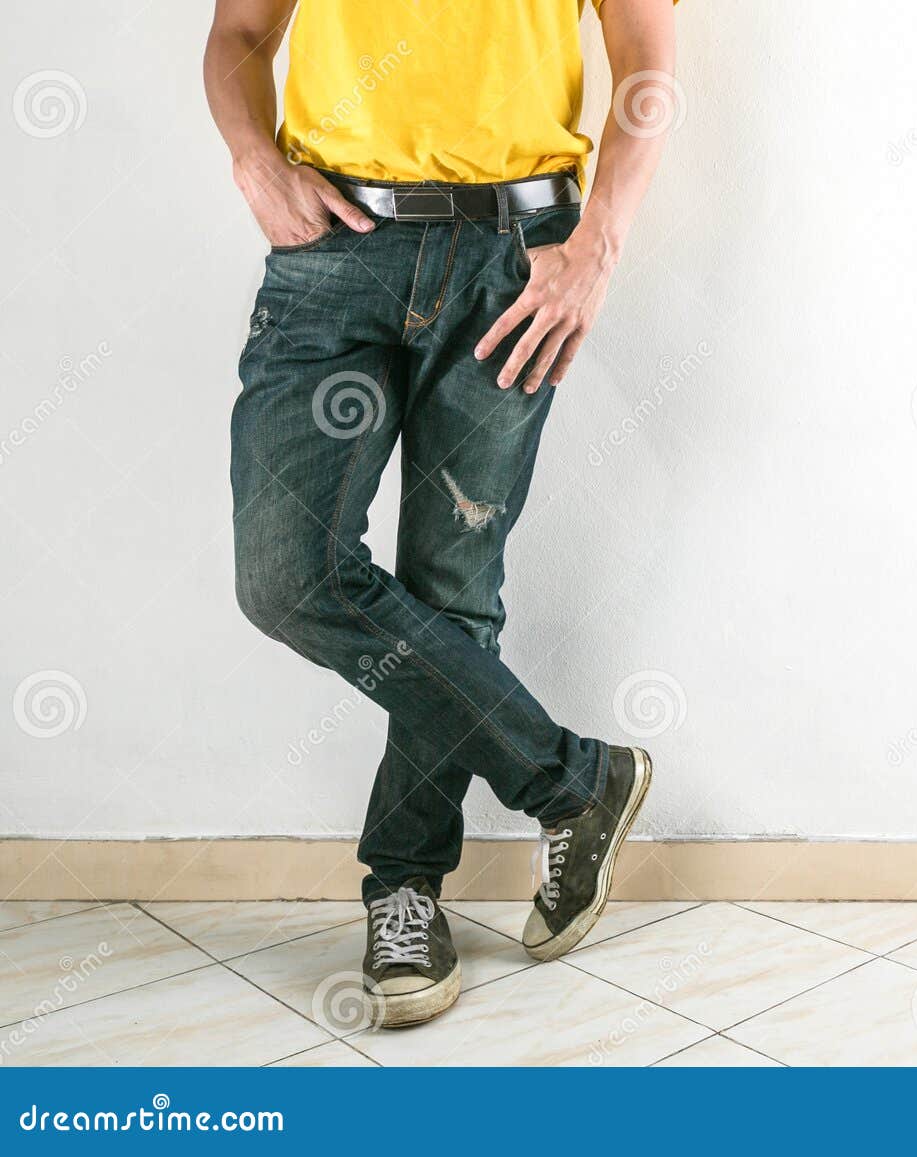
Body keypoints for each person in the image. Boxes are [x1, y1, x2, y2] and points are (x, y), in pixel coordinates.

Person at [202, 0, 676, 1026]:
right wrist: (253, 160)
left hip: (519, 257)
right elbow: (239, 33)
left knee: (451, 583)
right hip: (333, 249)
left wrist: (600, 243)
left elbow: (646, 58)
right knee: (289, 575)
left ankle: (405, 889)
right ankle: (570, 779)